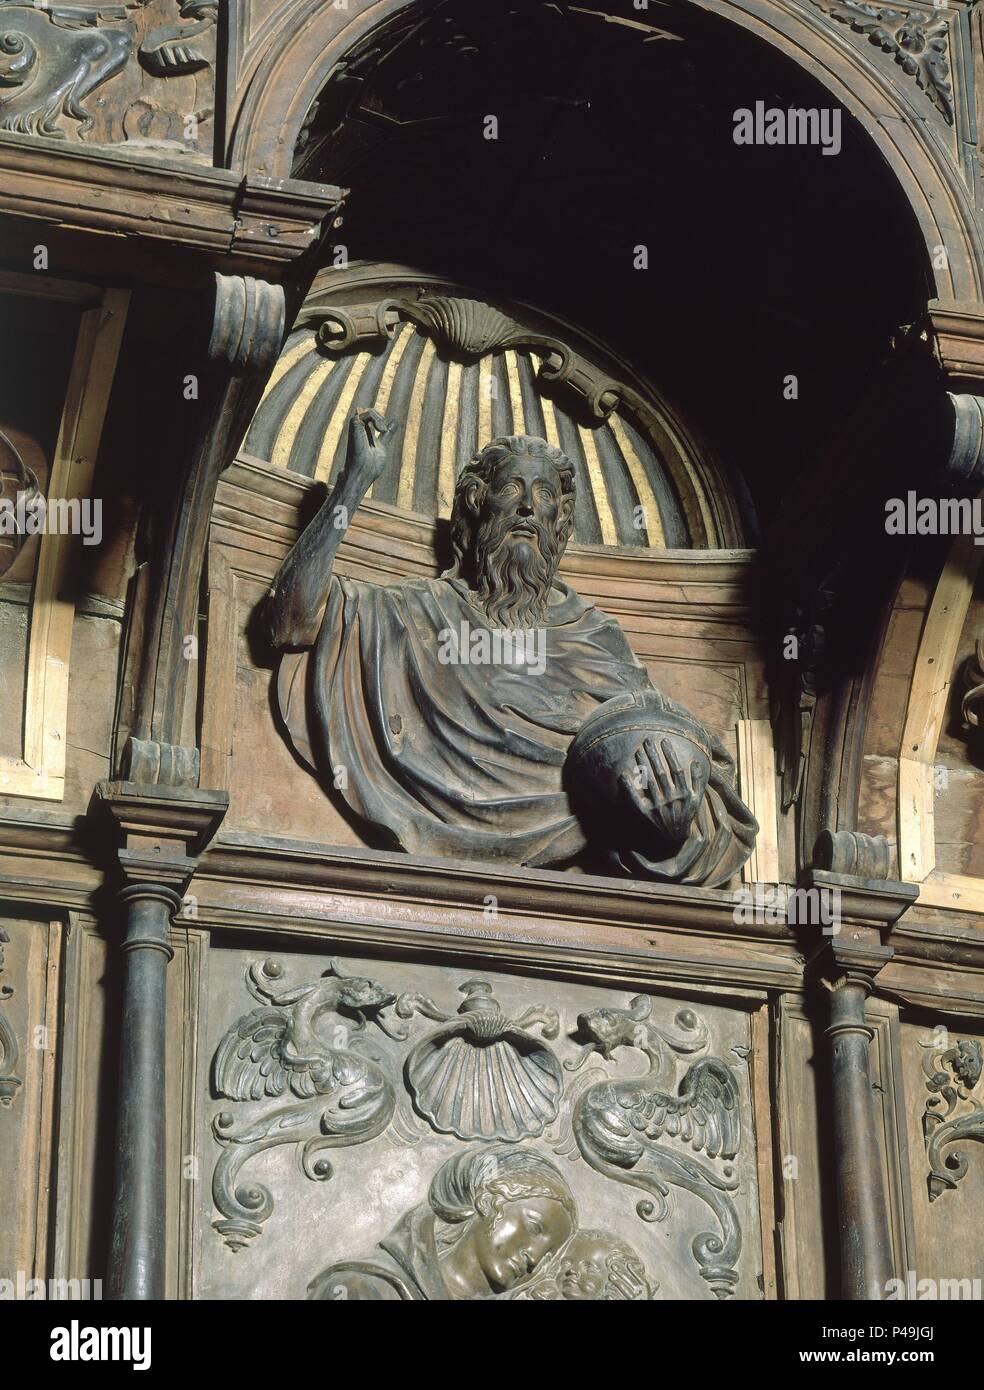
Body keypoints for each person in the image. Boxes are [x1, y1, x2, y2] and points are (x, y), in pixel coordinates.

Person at [266, 410, 756, 884]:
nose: (526, 507)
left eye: (543, 495)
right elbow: (291, 621)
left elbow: (664, 775)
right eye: (509, 490)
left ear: (559, 522)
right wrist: (352, 486)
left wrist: (666, 823)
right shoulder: (410, 614)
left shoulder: (594, 637)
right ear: (479, 506)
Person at [306, 1143, 577, 1300]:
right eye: (534, 1228)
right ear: (488, 1202)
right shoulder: (362, 1290)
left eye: (549, 1253)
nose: (535, 1258)